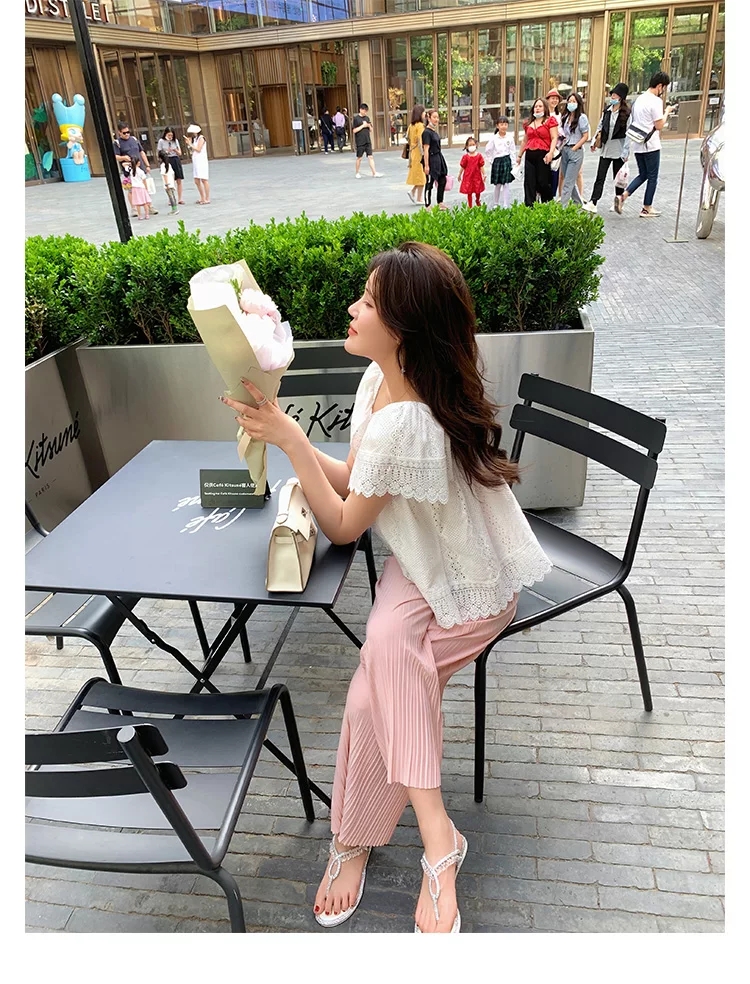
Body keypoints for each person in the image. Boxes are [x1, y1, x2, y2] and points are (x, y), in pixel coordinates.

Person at [219, 241, 551, 934]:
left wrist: (291, 441)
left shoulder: (408, 417)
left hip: (470, 588)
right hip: (420, 566)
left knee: (379, 678)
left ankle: (379, 842)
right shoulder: (381, 382)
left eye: (368, 302)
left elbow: (343, 525)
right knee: (385, 662)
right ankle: (429, 841)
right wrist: (291, 440)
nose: (352, 307)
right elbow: (358, 480)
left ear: (401, 329)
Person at [615, 71, 673, 217]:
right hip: (651, 144)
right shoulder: (656, 101)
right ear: (660, 86)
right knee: (652, 176)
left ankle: (623, 196)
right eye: (664, 87)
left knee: (643, 174)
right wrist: (667, 112)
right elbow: (659, 125)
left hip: (638, 143)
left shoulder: (639, 99)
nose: (663, 91)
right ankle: (647, 208)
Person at [583, 83, 631, 214]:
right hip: (606, 149)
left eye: (615, 95)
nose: (613, 97)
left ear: (621, 97)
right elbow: (600, 127)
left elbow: (629, 133)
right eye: (612, 94)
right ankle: (593, 201)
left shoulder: (626, 114)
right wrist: (594, 142)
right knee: (600, 177)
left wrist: (626, 151)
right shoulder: (607, 111)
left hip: (619, 150)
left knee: (618, 178)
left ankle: (618, 201)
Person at [516, 98, 558, 206]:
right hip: (530, 155)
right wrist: (519, 155)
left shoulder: (550, 121)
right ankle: (529, 207)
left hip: (543, 155)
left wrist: (551, 152)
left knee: (543, 182)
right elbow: (525, 140)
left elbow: (554, 138)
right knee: (529, 183)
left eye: (540, 106)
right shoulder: (529, 123)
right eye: (536, 106)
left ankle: (547, 205)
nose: (537, 108)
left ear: (545, 108)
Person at [113, 122, 158, 217]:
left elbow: (142, 152)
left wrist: (147, 165)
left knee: (145, 187)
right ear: (119, 132)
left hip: (140, 167)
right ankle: (134, 209)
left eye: (128, 132)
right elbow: (115, 156)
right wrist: (123, 158)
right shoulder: (117, 143)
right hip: (129, 170)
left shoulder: (134, 139)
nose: (127, 134)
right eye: (124, 133)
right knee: (131, 189)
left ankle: (149, 206)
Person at [558, 92, 590, 206]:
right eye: (569, 101)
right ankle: (578, 203)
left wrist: (575, 147)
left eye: (574, 101)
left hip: (575, 150)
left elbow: (586, 136)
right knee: (568, 178)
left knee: (568, 182)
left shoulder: (582, 118)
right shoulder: (565, 117)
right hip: (565, 150)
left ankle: (563, 207)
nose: (571, 103)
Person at [484, 115, 516, 209]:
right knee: (497, 184)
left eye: (505, 124)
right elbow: (488, 150)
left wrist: (513, 164)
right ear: (497, 126)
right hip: (497, 162)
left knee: (506, 184)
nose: (503, 126)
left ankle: (506, 204)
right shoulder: (494, 138)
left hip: (506, 161)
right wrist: (491, 160)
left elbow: (513, 151)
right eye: (501, 124)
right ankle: (496, 203)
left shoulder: (510, 138)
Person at [422, 109, 449, 210]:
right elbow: (426, 149)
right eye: (434, 117)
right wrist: (426, 165)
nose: (436, 119)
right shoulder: (426, 133)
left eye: (437, 117)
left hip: (438, 158)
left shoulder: (434, 132)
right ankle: (427, 204)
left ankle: (440, 202)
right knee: (429, 182)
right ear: (429, 118)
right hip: (431, 159)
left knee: (442, 179)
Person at [353, 103, 383, 178]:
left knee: (370, 157)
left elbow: (371, 130)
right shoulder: (356, 119)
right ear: (360, 110)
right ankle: (357, 172)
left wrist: (369, 125)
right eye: (364, 110)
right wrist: (363, 126)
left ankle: (374, 173)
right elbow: (354, 130)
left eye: (366, 111)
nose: (365, 112)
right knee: (359, 158)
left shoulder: (367, 118)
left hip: (367, 140)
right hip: (360, 141)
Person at [157, 126, 185, 204]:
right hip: (167, 160)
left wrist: (175, 149)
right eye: (169, 135)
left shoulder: (175, 141)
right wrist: (166, 151)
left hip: (175, 159)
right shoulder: (161, 141)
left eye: (171, 135)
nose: (170, 137)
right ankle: (171, 198)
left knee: (178, 179)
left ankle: (180, 198)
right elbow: (159, 153)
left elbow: (180, 153)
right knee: (169, 179)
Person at [405, 104, 426, 205]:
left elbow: (407, 137)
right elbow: (421, 140)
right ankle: (417, 196)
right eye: (423, 112)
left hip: (412, 152)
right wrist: (424, 154)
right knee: (421, 176)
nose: (425, 114)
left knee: (419, 175)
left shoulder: (411, 125)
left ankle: (416, 195)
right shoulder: (420, 126)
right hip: (418, 152)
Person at [457, 136, 486, 207]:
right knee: (469, 191)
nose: (472, 146)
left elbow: (481, 166)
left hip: (477, 176)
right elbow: (462, 166)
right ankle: (470, 205)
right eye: (470, 145)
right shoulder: (465, 157)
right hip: (468, 177)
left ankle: (477, 200)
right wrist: (459, 174)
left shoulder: (479, 156)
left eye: (473, 144)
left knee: (478, 190)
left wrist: (484, 174)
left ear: (476, 145)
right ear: (467, 147)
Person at [185, 123, 210, 204]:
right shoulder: (195, 139)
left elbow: (198, 149)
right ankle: (202, 197)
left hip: (201, 161)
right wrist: (189, 144)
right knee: (196, 180)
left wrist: (190, 144)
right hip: (196, 160)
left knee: (204, 179)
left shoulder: (201, 138)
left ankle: (207, 198)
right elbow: (194, 150)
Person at [129, 156, 152, 220]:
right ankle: (147, 214)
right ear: (138, 163)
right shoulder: (141, 171)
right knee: (145, 202)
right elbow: (144, 180)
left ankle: (139, 215)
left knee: (138, 203)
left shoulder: (131, 171)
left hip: (134, 188)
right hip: (141, 188)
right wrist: (146, 189)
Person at [158, 150, 179, 215]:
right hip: (171, 182)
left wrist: (166, 184)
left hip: (167, 184)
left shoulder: (162, 165)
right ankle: (175, 208)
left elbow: (165, 175)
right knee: (173, 196)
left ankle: (174, 209)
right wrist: (173, 182)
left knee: (170, 197)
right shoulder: (169, 165)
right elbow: (173, 173)